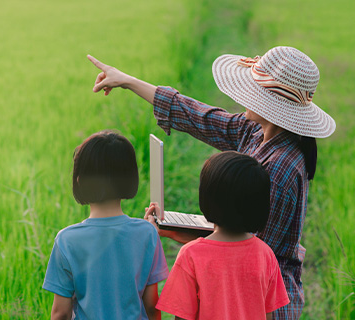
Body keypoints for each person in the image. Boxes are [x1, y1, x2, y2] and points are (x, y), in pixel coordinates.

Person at [87, 46, 336, 319]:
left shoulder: (280, 167)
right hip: (241, 292)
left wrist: (193, 239)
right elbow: (199, 117)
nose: (246, 94)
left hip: (261, 301)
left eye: (253, 88)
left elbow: (246, 249)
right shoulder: (255, 131)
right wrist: (128, 81)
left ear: (271, 105)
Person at [42, 130, 169, 320]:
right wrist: (147, 229)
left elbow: (61, 313)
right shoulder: (148, 234)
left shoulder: (67, 241)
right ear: (131, 178)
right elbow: (151, 307)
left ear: (80, 181)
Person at [155, 151, 290, 319]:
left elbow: (182, 316)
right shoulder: (265, 254)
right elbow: (268, 315)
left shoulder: (191, 255)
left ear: (208, 198)